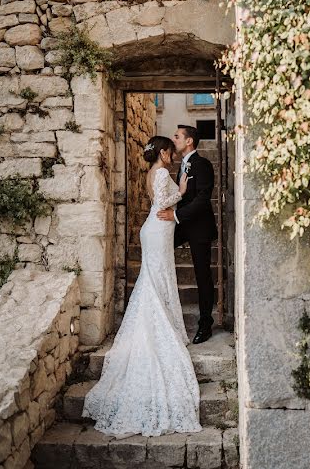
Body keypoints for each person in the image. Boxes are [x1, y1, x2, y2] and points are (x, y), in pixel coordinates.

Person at [81, 136, 202, 437]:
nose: (174, 155)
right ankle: (161, 325)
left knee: (156, 278)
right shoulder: (161, 173)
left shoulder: (153, 172)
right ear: (162, 153)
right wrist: (184, 189)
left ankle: (165, 321)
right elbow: (162, 202)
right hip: (159, 229)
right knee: (156, 278)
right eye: (171, 151)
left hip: (156, 229)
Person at [156, 124, 218, 344]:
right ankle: (158, 312)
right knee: (157, 253)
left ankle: (205, 324)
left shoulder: (202, 165)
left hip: (199, 227)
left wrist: (175, 215)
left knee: (203, 275)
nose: (174, 140)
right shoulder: (180, 165)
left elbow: (202, 199)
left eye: (177, 136)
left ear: (189, 141)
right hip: (181, 226)